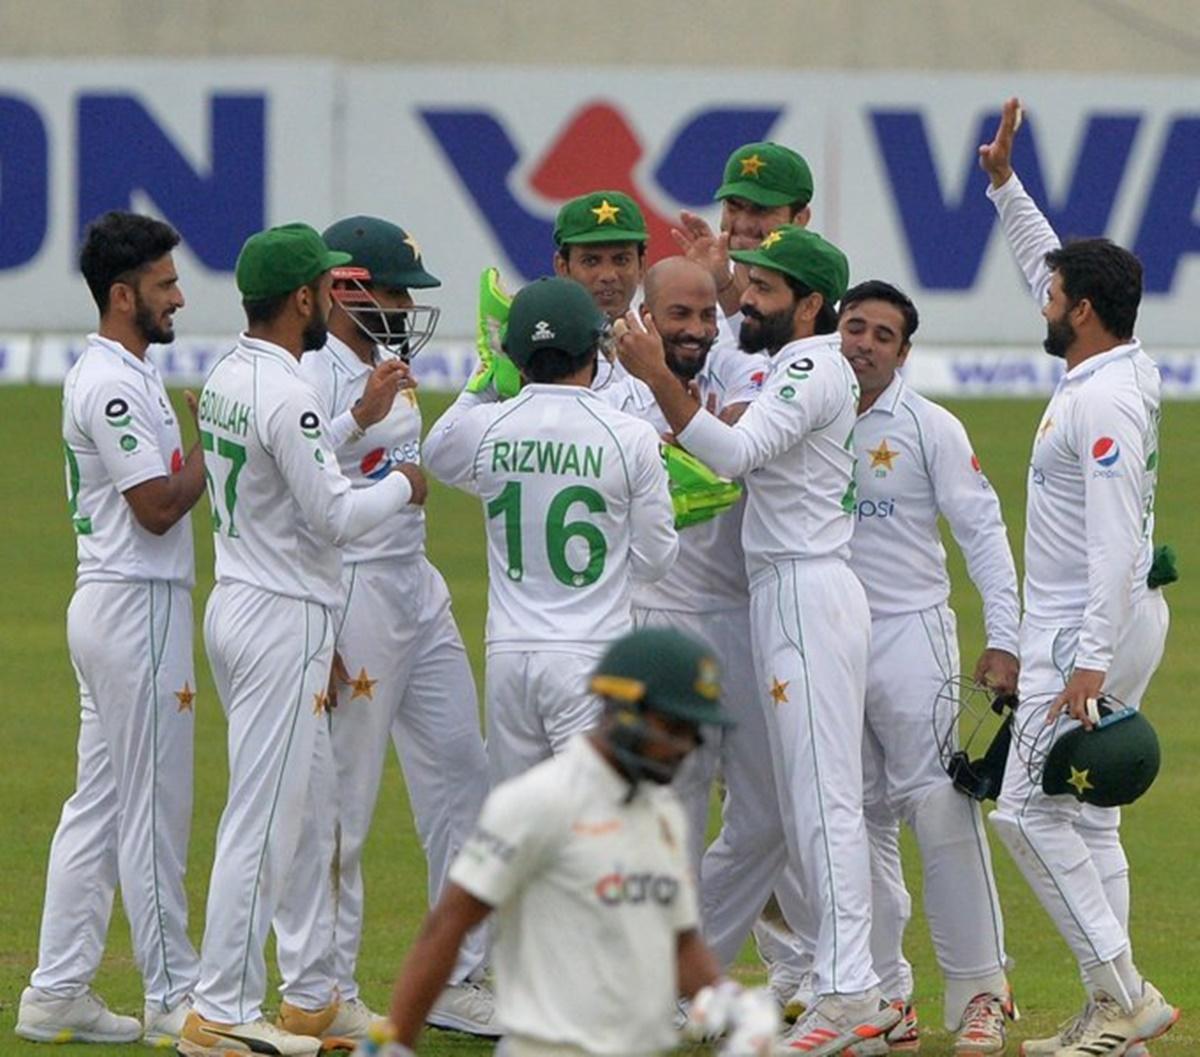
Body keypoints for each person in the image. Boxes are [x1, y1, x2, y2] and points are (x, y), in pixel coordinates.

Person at [616, 225, 901, 1055]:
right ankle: (828, 987)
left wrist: (657, 377)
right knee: (795, 807)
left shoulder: (810, 362)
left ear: (809, 304)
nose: (745, 298)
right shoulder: (796, 367)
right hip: (790, 588)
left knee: (822, 803)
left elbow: (732, 455)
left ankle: (852, 994)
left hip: (806, 587)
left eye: (764, 288)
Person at [178, 223, 426, 1057]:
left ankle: (315, 995)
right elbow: (335, 512)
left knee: (307, 815)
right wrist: (403, 482)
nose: (334, 299)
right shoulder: (285, 389)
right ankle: (219, 1009)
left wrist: (359, 420)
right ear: (301, 299)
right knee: (265, 820)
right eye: (325, 288)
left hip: (244, 597)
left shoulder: (233, 373)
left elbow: (298, 463)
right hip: (283, 613)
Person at [980, 98, 1177, 1056]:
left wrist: (1087, 659)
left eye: (1053, 295)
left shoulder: (1103, 402)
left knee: (1022, 812)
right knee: (1087, 818)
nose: (1042, 300)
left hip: (1083, 627)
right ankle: (1119, 1027)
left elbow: (1108, 540)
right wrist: (1008, 188)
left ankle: (1125, 993)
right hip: (1122, 616)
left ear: (1082, 311)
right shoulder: (1120, 362)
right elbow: (1046, 262)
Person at [368, 627, 779, 1057]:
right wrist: (389, 1045)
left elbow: (676, 940)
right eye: (674, 726)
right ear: (623, 709)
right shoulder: (538, 802)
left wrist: (725, 1000)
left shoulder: (663, 814)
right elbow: (447, 926)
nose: (685, 746)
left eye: (693, 731)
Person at [284, 215, 496, 1041]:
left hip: (418, 586)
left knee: (465, 779)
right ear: (346, 287)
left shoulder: (385, 365)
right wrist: (321, 620)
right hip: (353, 594)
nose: (408, 306)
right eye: (396, 290)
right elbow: (295, 501)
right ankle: (325, 987)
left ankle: (458, 977)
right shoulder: (307, 376)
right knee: (346, 802)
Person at [16, 212, 206, 1047]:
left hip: (114, 601)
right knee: (153, 805)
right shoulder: (117, 383)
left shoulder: (116, 370)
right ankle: (174, 995)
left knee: (99, 804)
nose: (180, 296)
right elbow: (157, 508)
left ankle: (56, 989)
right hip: (137, 604)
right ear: (124, 295)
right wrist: (216, 446)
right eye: (165, 285)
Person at [605, 256, 813, 1013]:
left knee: (770, 817)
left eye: (704, 316)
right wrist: (697, 436)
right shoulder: (621, 388)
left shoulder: (744, 370)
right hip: (663, 619)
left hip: (749, 616)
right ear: (647, 317)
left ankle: (679, 978)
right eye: (678, 316)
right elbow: (665, 474)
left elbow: (749, 451)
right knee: (675, 819)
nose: (694, 330)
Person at [839, 279, 1020, 1053]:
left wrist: (1005, 635)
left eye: (884, 334)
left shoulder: (928, 425)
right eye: (855, 327)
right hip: (826, 635)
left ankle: (983, 990)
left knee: (939, 809)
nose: (866, 344)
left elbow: (982, 529)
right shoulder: (800, 406)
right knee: (853, 821)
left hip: (911, 631)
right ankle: (886, 995)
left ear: (904, 352)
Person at [423, 276, 678, 785]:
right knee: (599, 825)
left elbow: (436, 450)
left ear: (517, 358)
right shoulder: (631, 436)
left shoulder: (488, 426)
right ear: (596, 350)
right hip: (592, 655)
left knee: (519, 829)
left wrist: (484, 380)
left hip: (509, 658)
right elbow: (656, 560)